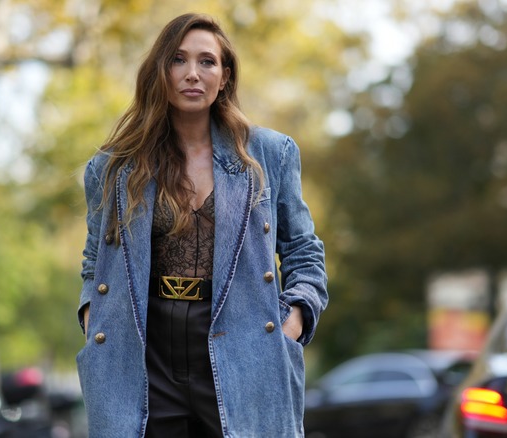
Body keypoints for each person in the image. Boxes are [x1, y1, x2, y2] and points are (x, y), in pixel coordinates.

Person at [76, 13, 328, 438]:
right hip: (143, 349)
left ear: (224, 76)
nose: (193, 74)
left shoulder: (270, 153)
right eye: (178, 60)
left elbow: (304, 250)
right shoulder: (114, 169)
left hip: (243, 343)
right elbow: (94, 259)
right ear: (160, 71)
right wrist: (91, 315)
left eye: (207, 61)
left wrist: (295, 319)